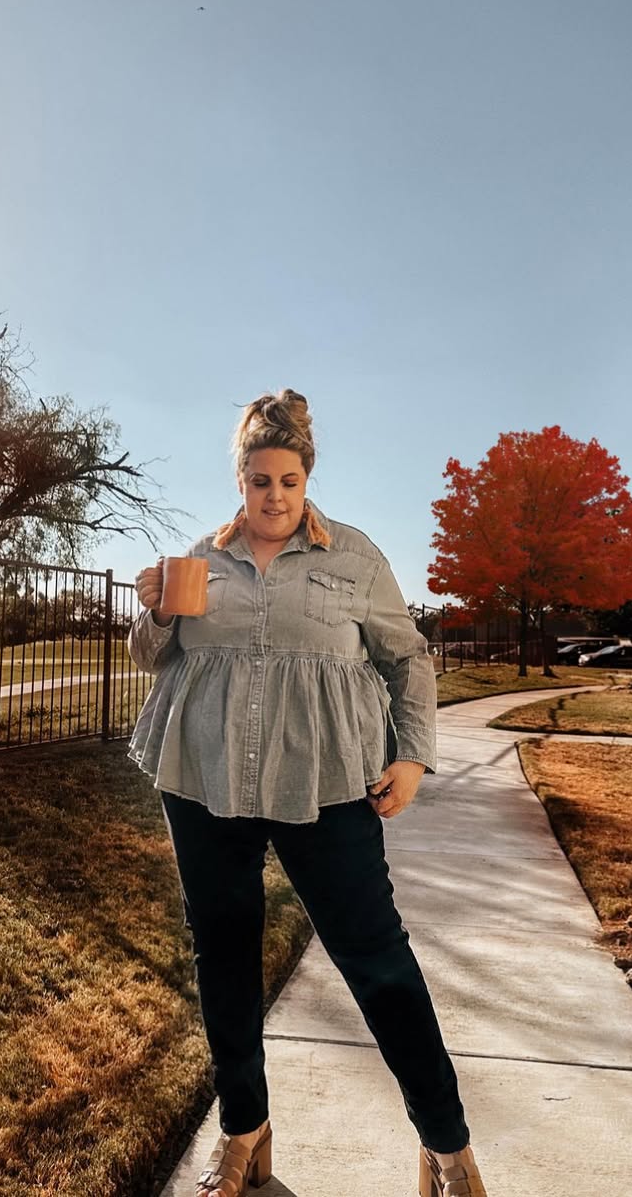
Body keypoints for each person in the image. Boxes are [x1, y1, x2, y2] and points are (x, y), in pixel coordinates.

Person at [128, 389, 487, 1197]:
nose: (274, 497)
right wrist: (151, 610)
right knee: (222, 953)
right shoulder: (202, 560)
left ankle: (446, 1146)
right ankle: (243, 1131)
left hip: (327, 786)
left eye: (288, 480)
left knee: (376, 958)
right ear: (241, 481)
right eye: (259, 481)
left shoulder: (354, 559)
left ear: (306, 476)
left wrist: (414, 759)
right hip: (204, 780)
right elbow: (153, 658)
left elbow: (408, 662)